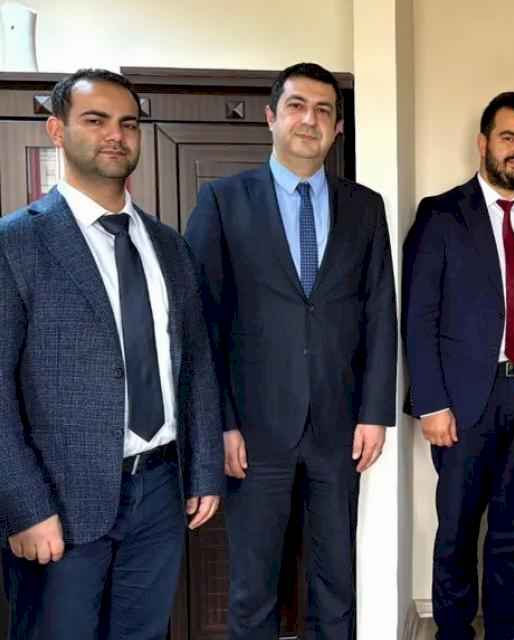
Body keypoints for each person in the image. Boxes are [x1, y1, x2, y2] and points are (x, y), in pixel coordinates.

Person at [0, 69, 223, 639]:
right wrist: (24, 506)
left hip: (161, 491)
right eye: (95, 120)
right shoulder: (15, 243)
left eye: (128, 123)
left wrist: (203, 470)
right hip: (59, 501)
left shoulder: (169, 246)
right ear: (57, 130)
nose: (115, 135)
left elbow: (195, 366)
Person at [185, 62, 398, 640]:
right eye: (297, 106)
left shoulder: (366, 207)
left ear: (337, 128)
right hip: (253, 433)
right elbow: (201, 323)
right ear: (271, 117)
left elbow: (380, 312)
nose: (310, 119)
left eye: (324, 110)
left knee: (336, 582)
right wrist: (221, 423)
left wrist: (374, 413)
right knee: (253, 587)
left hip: (339, 426)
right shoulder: (223, 201)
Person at [403, 91, 514, 640]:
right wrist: (431, 403)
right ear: (482, 143)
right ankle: (454, 632)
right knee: (457, 530)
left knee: (513, 529)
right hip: (462, 403)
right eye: (509, 137)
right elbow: (418, 314)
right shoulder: (441, 213)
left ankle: (507, 631)